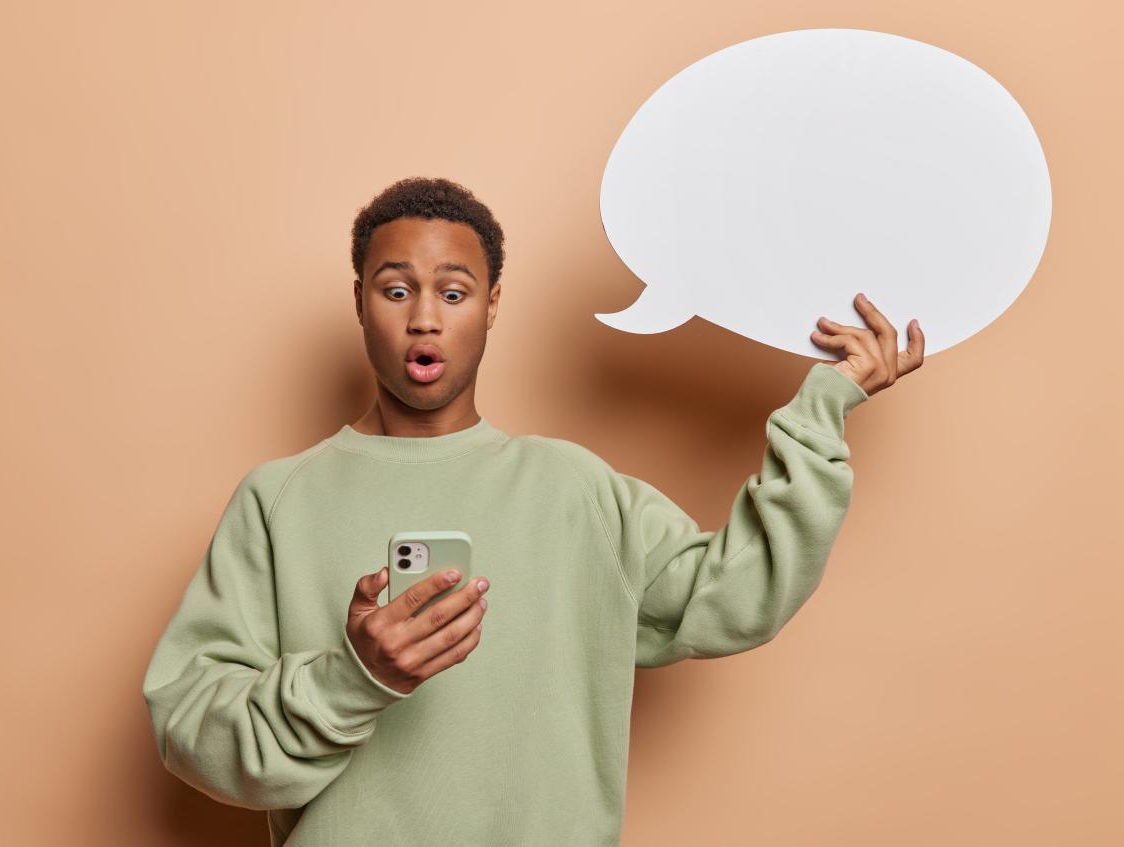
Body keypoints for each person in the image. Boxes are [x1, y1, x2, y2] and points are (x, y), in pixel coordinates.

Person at [142, 176, 924, 846]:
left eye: (453, 291)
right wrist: (355, 676)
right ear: (360, 302)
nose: (424, 317)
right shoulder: (277, 500)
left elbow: (738, 593)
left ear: (490, 306)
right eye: (395, 288)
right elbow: (193, 730)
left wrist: (826, 405)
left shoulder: (575, 489)